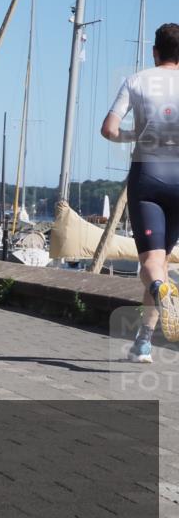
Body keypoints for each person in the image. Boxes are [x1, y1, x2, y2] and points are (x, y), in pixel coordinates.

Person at [101, 22, 179, 363]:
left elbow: (109, 129)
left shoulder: (137, 80)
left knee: (150, 264)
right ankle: (143, 343)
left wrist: (132, 136)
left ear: (155, 51)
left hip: (148, 175)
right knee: (160, 263)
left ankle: (161, 292)